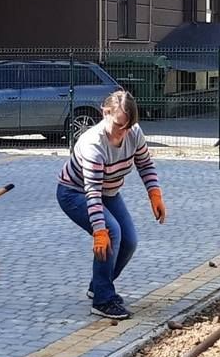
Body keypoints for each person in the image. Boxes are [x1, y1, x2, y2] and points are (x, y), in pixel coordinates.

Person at [57, 90, 166, 321]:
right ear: (105, 113)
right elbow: (92, 193)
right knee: (112, 232)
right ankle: (103, 300)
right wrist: (99, 231)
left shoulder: (133, 132)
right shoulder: (93, 144)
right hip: (75, 193)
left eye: (128, 126)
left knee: (130, 241)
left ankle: (99, 285)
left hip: (108, 191)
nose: (124, 133)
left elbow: (145, 164)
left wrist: (154, 194)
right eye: (119, 126)